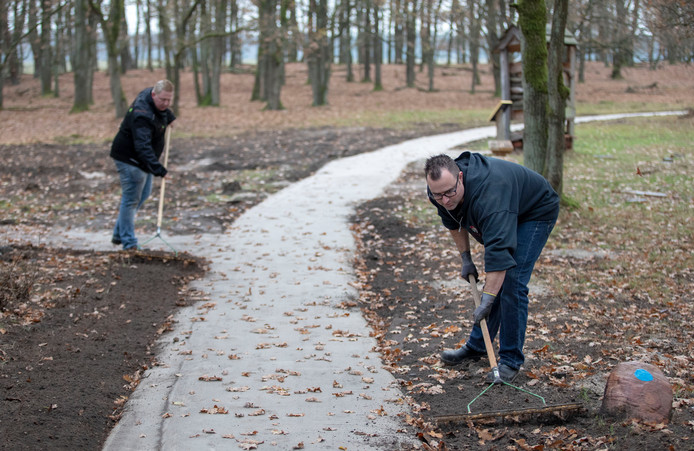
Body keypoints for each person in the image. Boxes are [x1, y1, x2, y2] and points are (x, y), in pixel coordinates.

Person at [424, 152, 559, 383]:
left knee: (513, 281)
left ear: (461, 178)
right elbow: (453, 222)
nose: (445, 200)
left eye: (449, 193)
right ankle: (477, 346)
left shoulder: (490, 196)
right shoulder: (439, 189)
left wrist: (487, 300)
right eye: (438, 195)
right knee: (497, 287)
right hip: (508, 205)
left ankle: (509, 361)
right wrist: (466, 257)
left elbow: (499, 253)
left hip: (535, 211)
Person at [110, 80, 176, 250]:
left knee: (143, 195)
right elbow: (143, 147)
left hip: (142, 160)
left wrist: (169, 117)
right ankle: (129, 243)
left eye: (169, 100)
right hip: (130, 158)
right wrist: (159, 170)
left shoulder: (150, 96)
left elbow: (161, 111)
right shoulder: (142, 114)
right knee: (131, 199)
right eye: (163, 100)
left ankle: (120, 233)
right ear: (154, 94)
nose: (166, 104)